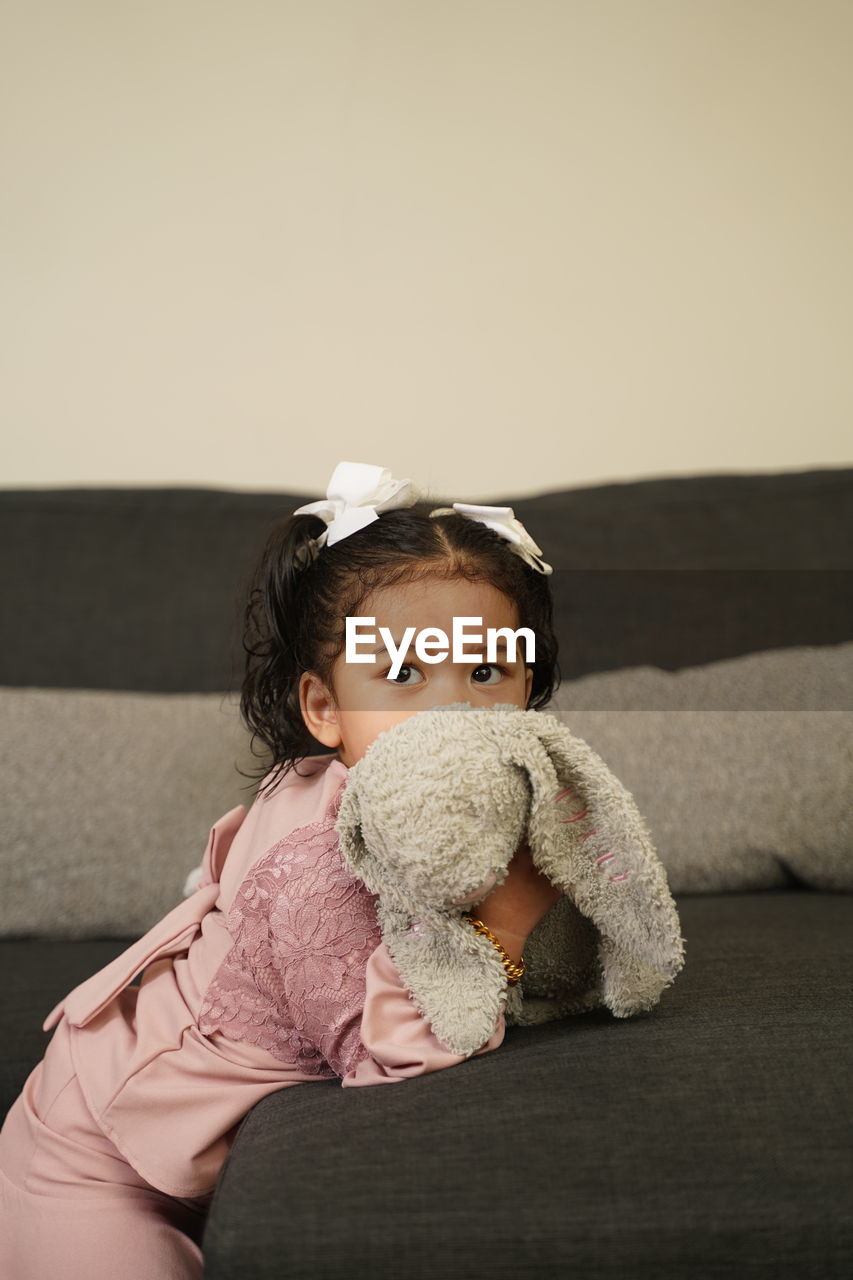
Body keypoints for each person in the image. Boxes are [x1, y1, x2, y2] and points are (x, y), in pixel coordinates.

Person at [0, 460, 563, 1279]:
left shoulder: (406, 796)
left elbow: (219, 867)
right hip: (95, 1159)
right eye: (403, 676)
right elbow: (387, 1067)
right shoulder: (319, 869)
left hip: (165, 1121)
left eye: (486, 672)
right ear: (323, 708)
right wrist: (510, 918)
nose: (454, 712)